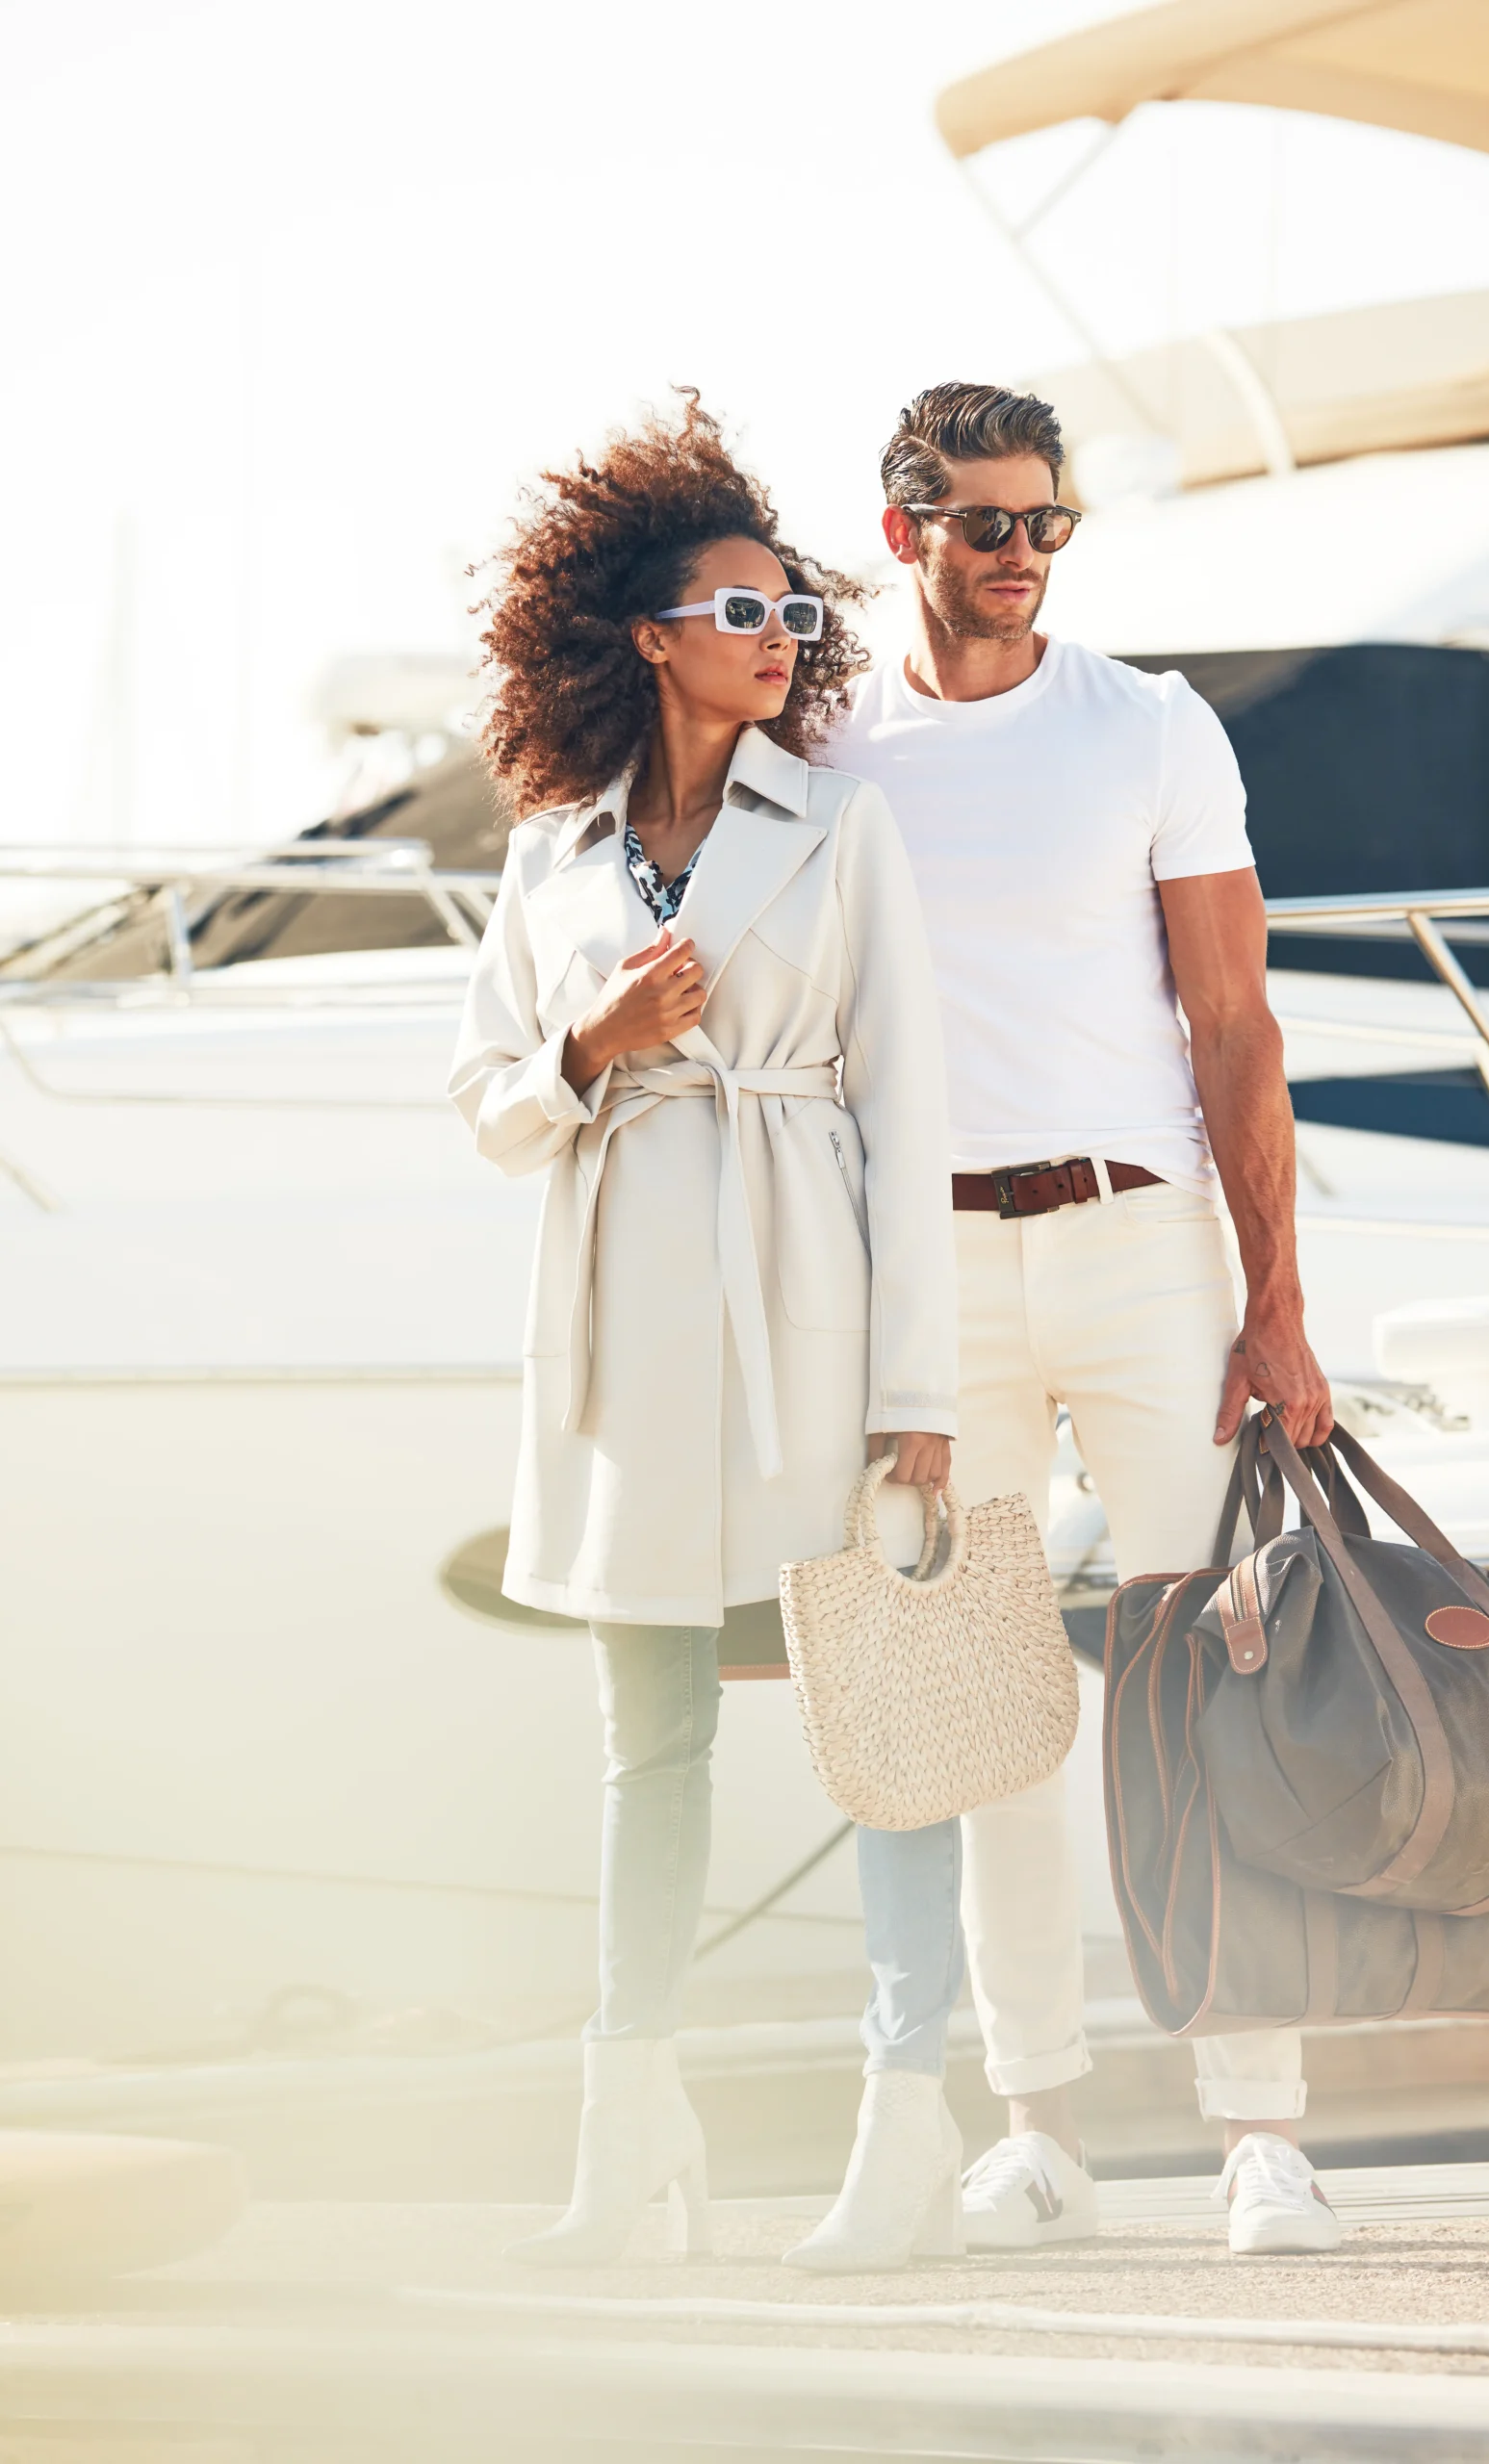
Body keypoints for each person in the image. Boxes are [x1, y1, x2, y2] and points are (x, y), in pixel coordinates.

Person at [786, 381, 1340, 2273]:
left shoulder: (1148, 727)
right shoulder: (829, 743)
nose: (1021, 554)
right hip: (925, 1277)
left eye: (1045, 523)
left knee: (1206, 1687)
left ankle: (1261, 2126)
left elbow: (1235, 1025)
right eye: (984, 525)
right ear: (904, 532)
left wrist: (1273, 1305)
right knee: (994, 1711)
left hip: (1138, 1243)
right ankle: (1037, 2128)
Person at [449, 396, 957, 2267]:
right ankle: (622, 2136)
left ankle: (903, 2126)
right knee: (644, 1738)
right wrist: (594, 1049)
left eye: (793, 615)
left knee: (875, 1727)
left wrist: (923, 1393)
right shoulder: (550, 853)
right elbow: (488, 1101)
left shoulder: (843, 827)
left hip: (805, 1317)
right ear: (649, 635)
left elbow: (907, 1109)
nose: (781, 640)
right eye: (742, 611)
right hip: (621, 1341)